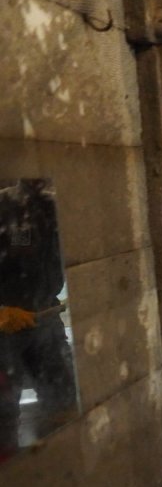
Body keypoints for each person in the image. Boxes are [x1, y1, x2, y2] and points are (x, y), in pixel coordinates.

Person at [0, 179, 77, 460]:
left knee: (65, 403)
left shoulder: (61, 208)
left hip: (46, 319)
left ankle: (64, 465)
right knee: (4, 414)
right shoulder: (4, 207)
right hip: (5, 329)